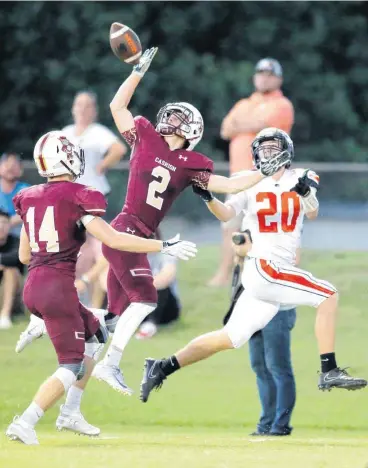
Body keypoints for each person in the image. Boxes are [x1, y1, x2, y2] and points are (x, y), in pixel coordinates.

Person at [91, 47, 291, 395]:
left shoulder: (188, 161)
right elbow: (116, 107)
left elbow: (228, 185)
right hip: (127, 229)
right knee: (145, 301)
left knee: (113, 315)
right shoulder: (144, 136)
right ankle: (108, 363)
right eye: (175, 116)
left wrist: (261, 171)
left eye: (183, 119)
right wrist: (137, 71)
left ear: (192, 130)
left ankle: (58, 326)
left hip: (133, 232)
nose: (175, 121)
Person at [140, 127, 367, 404]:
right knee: (328, 294)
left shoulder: (302, 176)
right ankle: (329, 370)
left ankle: (162, 366)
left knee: (229, 337)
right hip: (264, 266)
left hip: (272, 272)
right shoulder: (246, 181)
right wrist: (208, 197)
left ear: (286, 150)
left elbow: (313, 211)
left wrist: (306, 193)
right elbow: (227, 215)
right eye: (262, 148)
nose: (267, 153)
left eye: (273, 147)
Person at [6, 130, 197, 445]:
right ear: (64, 157)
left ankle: (71, 412)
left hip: (35, 285)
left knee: (96, 334)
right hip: (57, 288)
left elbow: (25, 255)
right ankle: (26, 421)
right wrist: (162, 245)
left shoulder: (28, 197)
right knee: (71, 363)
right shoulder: (79, 195)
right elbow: (114, 239)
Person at [209, 58, 294, 287]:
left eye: (270, 73)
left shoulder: (282, 104)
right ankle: (225, 275)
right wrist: (250, 123)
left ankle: (270, 274)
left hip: (267, 176)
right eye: (261, 73)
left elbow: (263, 125)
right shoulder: (244, 102)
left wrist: (245, 123)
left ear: (279, 79)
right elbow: (226, 129)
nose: (264, 77)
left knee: (265, 229)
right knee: (230, 227)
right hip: (238, 177)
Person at [224, 230, 298, 436]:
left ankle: (280, 425)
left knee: (278, 367)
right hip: (253, 310)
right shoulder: (251, 236)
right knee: (259, 366)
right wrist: (240, 255)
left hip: (278, 310)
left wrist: (252, 250)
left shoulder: (281, 237)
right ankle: (265, 424)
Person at [63, 90, 127, 307]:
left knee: (100, 252)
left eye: (87, 105)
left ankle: (96, 308)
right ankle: (71, 303)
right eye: (78, 104)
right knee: (73, 252)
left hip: (93, 201)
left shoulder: (98, 132)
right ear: (73, 108)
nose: (82, 109)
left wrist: (102, 165)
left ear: (94, 110)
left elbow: (119, 149)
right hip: (70, 202)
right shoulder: (66, 132)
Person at [0, 209, 25, 329]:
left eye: (4, 223)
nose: (1, 227)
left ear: (9, 225)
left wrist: (3, 263)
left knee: (10, 269)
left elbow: (16, 258)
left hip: (13, 293)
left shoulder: (16, 241)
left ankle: (5, 316)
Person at [0, 152, 30, 237]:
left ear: (20, 171)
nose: (10, 168)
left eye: (14, 165)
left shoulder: (27, 191)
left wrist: (6, 224)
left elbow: (28, 212)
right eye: (6, 164)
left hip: (18, 238)